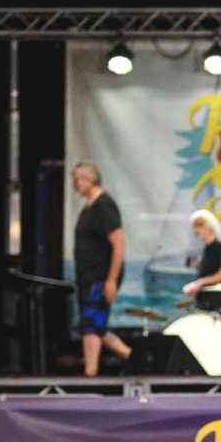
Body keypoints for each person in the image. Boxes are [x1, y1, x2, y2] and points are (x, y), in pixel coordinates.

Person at [72, 161, 132, 376]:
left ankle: (90, 375)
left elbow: (119, 243)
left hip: (99, 275)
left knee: (91, 326)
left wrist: (111, 280)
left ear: (89, 179)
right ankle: (133, 357)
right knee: (93, 326)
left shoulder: (103, 205)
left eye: (76, 178)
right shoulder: (89, 206)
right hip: (87, 275)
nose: (74, 183)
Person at [182, 209, 221, 313]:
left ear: (211, 225)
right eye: (194, 225)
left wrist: (199, 283)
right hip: (203, 304)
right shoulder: (205, 250)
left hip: (218, 306)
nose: (196, 228)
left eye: (200, 224)